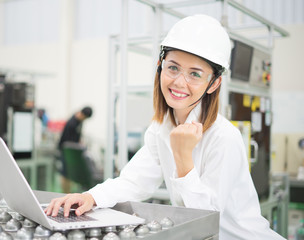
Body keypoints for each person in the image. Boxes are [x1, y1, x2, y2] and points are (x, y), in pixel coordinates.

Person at [45, 15, 284, 239]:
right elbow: (134, 181)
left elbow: (208, 218)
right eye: (173, 67)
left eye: (195, 74)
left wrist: (183, 158)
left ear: (214, 83)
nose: (179, 81)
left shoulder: (224, 137)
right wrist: (90, 196)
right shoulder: (161, 128)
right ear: (160, 65)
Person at [57, 106, 93, 192]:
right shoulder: (72, 123)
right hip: (66, 152)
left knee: (69, 174)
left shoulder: (79, 122)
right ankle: (65, 193)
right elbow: (68, 142)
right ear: (83, 114)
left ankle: (68, 193)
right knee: (65, 174)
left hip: (70, 152)